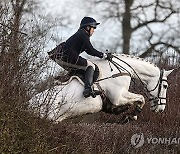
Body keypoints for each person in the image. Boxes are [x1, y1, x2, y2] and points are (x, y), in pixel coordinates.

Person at [48, 16, 112, 98]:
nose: (94, 31)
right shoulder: (83, 35)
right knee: (91, 66)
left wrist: (102, 55)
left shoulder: (80, 34)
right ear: (88, 27)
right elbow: (91, 50)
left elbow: (88, 51)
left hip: (61, 56)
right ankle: (88, 89)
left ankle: (65, 80)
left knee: (81, 69)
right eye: (93, 28)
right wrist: (104, 55)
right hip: (66, 56)